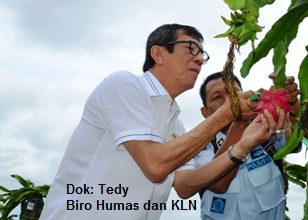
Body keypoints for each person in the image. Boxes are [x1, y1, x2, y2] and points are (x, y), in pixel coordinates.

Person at [40, 23, 273, 220]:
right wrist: (227, 113)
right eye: (191, 48)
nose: (200, 59)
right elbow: (155, 165)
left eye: (202, 53)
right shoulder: (123, 85)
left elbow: (184, 186)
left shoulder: (176, 126)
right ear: (159, 53)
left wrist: (242, 147)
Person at [195, 71, 300, 219]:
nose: (228, 101)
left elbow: (294, 136)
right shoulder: (200, 146)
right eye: (217, 97)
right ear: (205, 112)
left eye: (234, 93)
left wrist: (291, 102)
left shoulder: (265, 129)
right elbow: (218, 184)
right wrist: (240, 122)